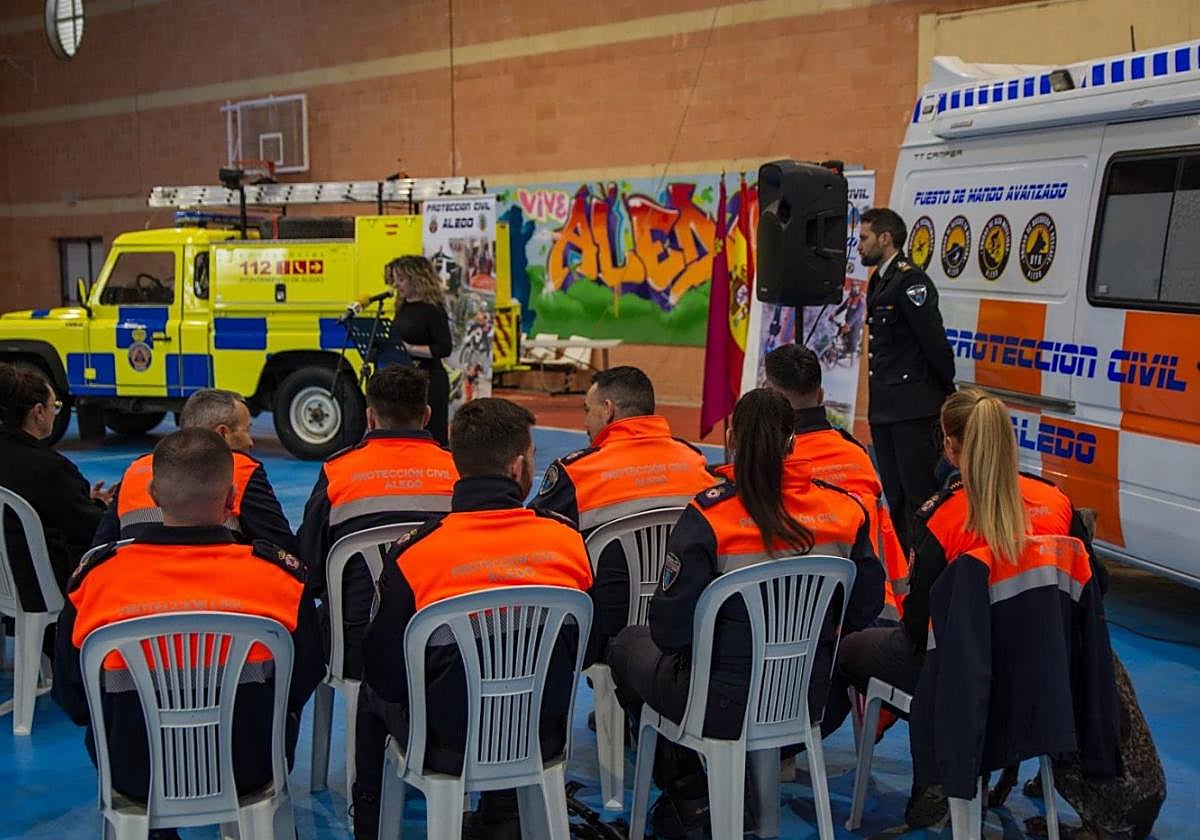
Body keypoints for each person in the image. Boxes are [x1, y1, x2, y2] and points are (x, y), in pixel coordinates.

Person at [607, 389, 883, 839]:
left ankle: (691, 792)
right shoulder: (845, 511)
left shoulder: (710, 515)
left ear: (732, 438)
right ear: (794, 442)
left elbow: (671, 630)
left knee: (624, 645)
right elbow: (866, 608)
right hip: (808, 699)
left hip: (717, 705)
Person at [835, 388, 1105, 827]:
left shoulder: (942, 517)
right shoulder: (1056, 503)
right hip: (1047, 674)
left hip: (963, 680)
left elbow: (919, 626)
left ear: (950, 446)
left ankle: (931, 771)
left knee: (851, 652)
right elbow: (1094, 590)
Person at [52, 429, 324, 838]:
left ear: (153, 495)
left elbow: (73, 697)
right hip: (248, 768)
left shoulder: (96, 583)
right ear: (233, 497)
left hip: (134, 773)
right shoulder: (278, 579)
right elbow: (303, 680)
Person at [352, 398, 595, 840]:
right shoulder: (567, 542)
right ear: (519, 467)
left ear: (457, 465)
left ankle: (368, 823)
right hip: (537, 733)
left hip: (445, 744)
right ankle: (504, 812)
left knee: (371, 696)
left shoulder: (416, 554)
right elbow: (587, 650)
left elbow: (386, 673)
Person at [530, 366, 716, 656]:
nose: (584, 423)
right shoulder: (695, 461)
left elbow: (536, 542)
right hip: (682, 621)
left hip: (604, 631)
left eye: (586, 410)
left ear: (607, 410)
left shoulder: (576, 472)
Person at [298, 366, 457, 678]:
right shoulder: (458, 471)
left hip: (357, 647)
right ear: (426, 415)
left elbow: (311, 569)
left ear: (370, 418)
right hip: (444, 641)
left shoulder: (338, 473)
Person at [763, 344, 907, 621]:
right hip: (878, 615)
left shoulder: (769, 465)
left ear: (769, 396)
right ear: (820, 396)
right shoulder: (858, 457)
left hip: (795, 618)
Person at [92, 388, 296, 552]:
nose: (250, 441)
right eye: (247, 430)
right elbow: (282, 546)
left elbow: (100, 547)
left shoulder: (136, 470)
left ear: (154, 493)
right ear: (223, 434)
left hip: (136, 591)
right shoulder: (241, 468)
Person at [860, 207, 956, 552]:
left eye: (865, 238)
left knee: (920, 496)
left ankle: (926, 568)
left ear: (886, 239)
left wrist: (947, 393)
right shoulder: (880, 280)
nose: (859, 246)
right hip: (887, 407)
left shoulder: (910, 282)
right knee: (896, 495)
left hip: (913, 408)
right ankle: (906, 565)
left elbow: (934, 343)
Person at [0, 363, 109, 616]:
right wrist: (104, 508)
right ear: (38, 412)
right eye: (55, 407)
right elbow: (91, 529)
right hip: (39, 586)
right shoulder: (48, 468)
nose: (54, 414)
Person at [387, 255, 453, 446]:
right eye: (395, 279)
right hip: (406, 379)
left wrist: (410, 349)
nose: (397, 285)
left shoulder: (433, 309)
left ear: (416, 279)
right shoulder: (403, 306)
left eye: (401, 279)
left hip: (430, 380)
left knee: (432, 435)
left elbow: (444, 347)